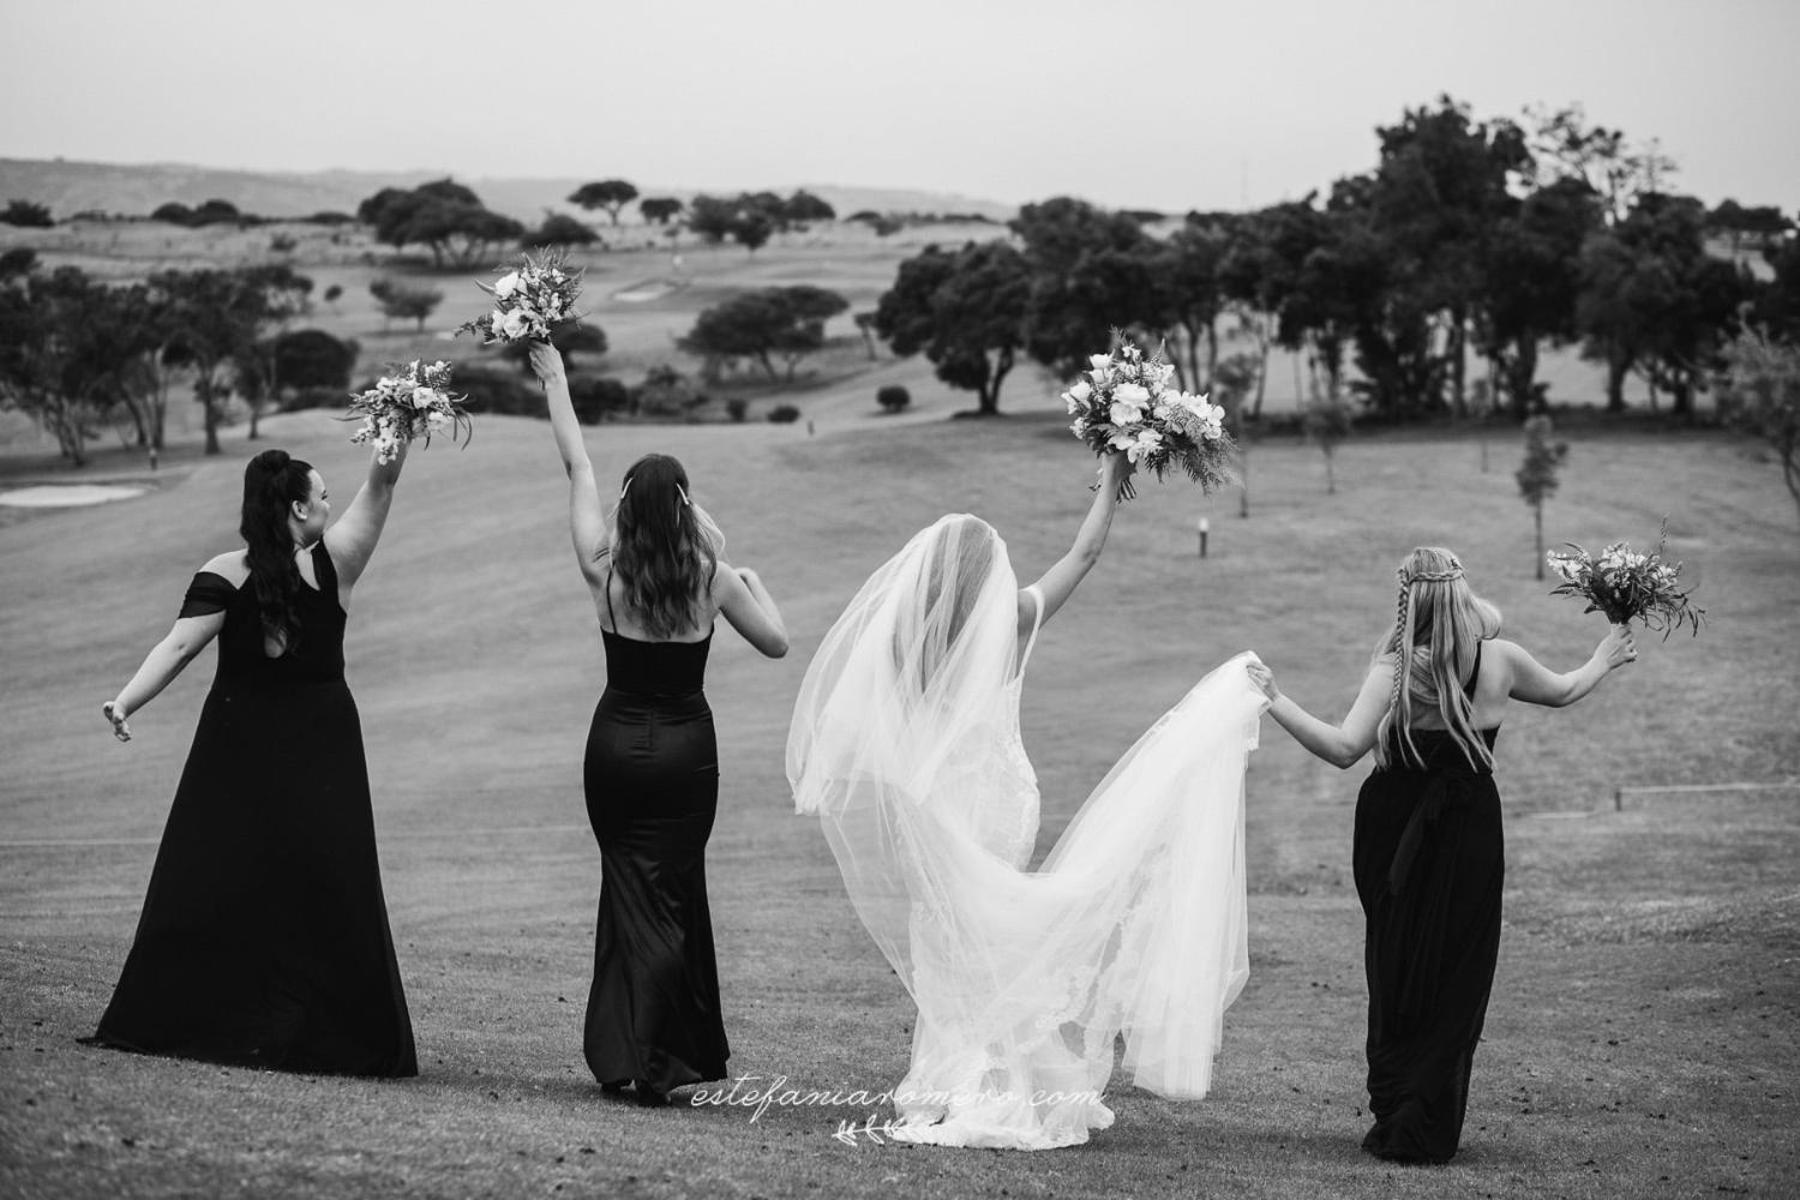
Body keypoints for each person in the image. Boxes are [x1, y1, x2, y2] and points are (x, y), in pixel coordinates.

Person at [787, 453, 1269, 1150]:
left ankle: (958, 1079)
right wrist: (1111, 479)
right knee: (993, 945)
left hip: (937, 814)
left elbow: (870, 738)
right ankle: (992, 1080)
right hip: (1000, 803)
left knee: (948, 943)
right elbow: (1083, 555)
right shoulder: (1009, 619)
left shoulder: (901, 642)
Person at [1246, 547, 1636, 1164]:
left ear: (1410, 600)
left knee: (1397, 962)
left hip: (1391, 831)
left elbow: (1344, 749)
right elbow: (1564, 691)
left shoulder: (1398, 668)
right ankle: (1427, 1117)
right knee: (1459, 969)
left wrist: (1274, 698)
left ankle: (1398, 1104)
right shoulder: (1500, 660)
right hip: (1469, 828)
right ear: (1460, 594)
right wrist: (1604, 655)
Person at [87, 445, 417, 1077]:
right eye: (322, 496)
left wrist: (126, 701)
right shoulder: (331, 563)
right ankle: (308, 1030)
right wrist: (400, 422)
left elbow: (178, 648)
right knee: (288, 875)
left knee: (248, 871)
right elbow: (382, 484)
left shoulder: (235, 570)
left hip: (250, 742)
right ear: (298, 509)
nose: (330, 504)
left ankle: (246, 1021)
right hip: (301, 745)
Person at [528, 343, 788, 1107]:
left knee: (625, 889)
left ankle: (624, 1053)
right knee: (672, 892)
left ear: (627, 509)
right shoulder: (715, 580)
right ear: (683, 507)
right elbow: (777, 643)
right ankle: (661, 1055)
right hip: (686, 754)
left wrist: (556, 380)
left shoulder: (604, 573)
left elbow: (576, 466)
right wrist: (753, 580)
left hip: (613, 747)